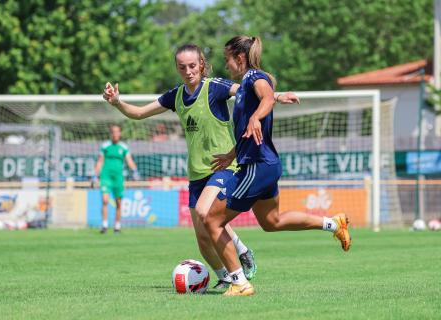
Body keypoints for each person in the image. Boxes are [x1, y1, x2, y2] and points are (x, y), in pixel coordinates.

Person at [103, 44, 299, 288]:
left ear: (202, 65)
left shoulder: (215, 87)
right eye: (182, 67)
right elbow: (140, 113)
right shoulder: (175, 96)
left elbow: (250, 91)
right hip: (196, 173)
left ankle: (241, 260)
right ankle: (224, 277)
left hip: (224, 167)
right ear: (177, 68)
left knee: (208, 214)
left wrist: (277, 96)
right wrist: (118, 102)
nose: (188, 71)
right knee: (202, 237)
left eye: (193, 66)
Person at [202, 36, 351, 296]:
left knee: (212, 220)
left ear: (239, 58)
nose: (226, 65)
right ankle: (334, 224)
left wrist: (257, 117)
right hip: (265, 164)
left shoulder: (254, 77)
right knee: (272, 221)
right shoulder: (245, 85)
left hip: (257, 167)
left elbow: (268, 98)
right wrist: (231, 154)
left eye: (227, 59)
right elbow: (251, 127)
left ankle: (239, 282)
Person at [94, 124, 140, 234]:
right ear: (111, 134)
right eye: (113, 132)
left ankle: (117, 226)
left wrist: (135, 171)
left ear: (120, 133)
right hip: (106, 177)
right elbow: (100, 161)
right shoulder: (105, 146)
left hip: (118, 178)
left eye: (117, 132)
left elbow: (129, 160)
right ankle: (104, 225)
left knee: (118, 203)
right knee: (105, 200)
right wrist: (95, 175)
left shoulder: (123, 147)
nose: (115, 134)